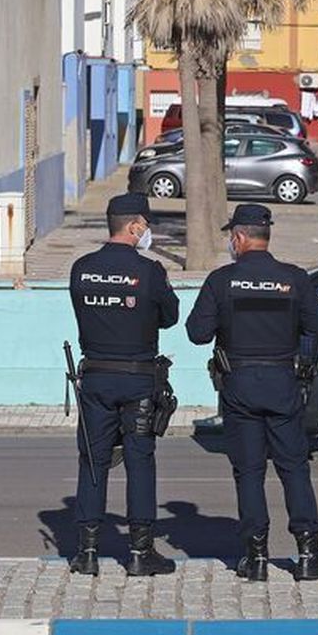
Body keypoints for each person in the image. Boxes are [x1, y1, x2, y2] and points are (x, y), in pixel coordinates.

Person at [186, 203, 318, 583]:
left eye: (230, 238)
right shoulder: (293, 278)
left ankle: (255, 557)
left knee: (249, 472)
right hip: (282, 383)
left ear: (239, 238)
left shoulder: (221, 281)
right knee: (294, 470)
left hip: (238, 385)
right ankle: (308, 554)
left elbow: (197, 333)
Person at [66, 192, 180, 577]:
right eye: (146, 225)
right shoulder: (150, 272)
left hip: (95, 378)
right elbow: (170, 317)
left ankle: (87, 552)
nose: (148, 232)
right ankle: (139, 551)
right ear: (134, 226)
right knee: (139, 462)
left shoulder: (81, 268)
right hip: (137, 380)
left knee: (93, 463)